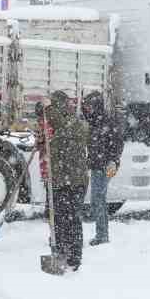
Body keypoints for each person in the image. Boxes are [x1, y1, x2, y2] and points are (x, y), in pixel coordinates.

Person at [43, 89, 91, 271]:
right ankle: (61, 253)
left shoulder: (78, 125)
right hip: (59, 181)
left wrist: (49, 110)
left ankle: (74, 257)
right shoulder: (57, 127)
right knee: (58, 220)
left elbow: (63, 128)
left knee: (72, 219)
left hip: (74, 182)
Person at [82, 91, 125, 246]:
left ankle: (102, 235)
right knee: (98, 199)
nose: (88, 110)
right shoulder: (95, 121)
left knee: (97, 200)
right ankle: (102, 234)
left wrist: (113, 161)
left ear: (97, 106)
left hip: (107, 166)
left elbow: (118, 143)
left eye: (89, 106)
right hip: (97, 165)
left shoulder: (108, 122)